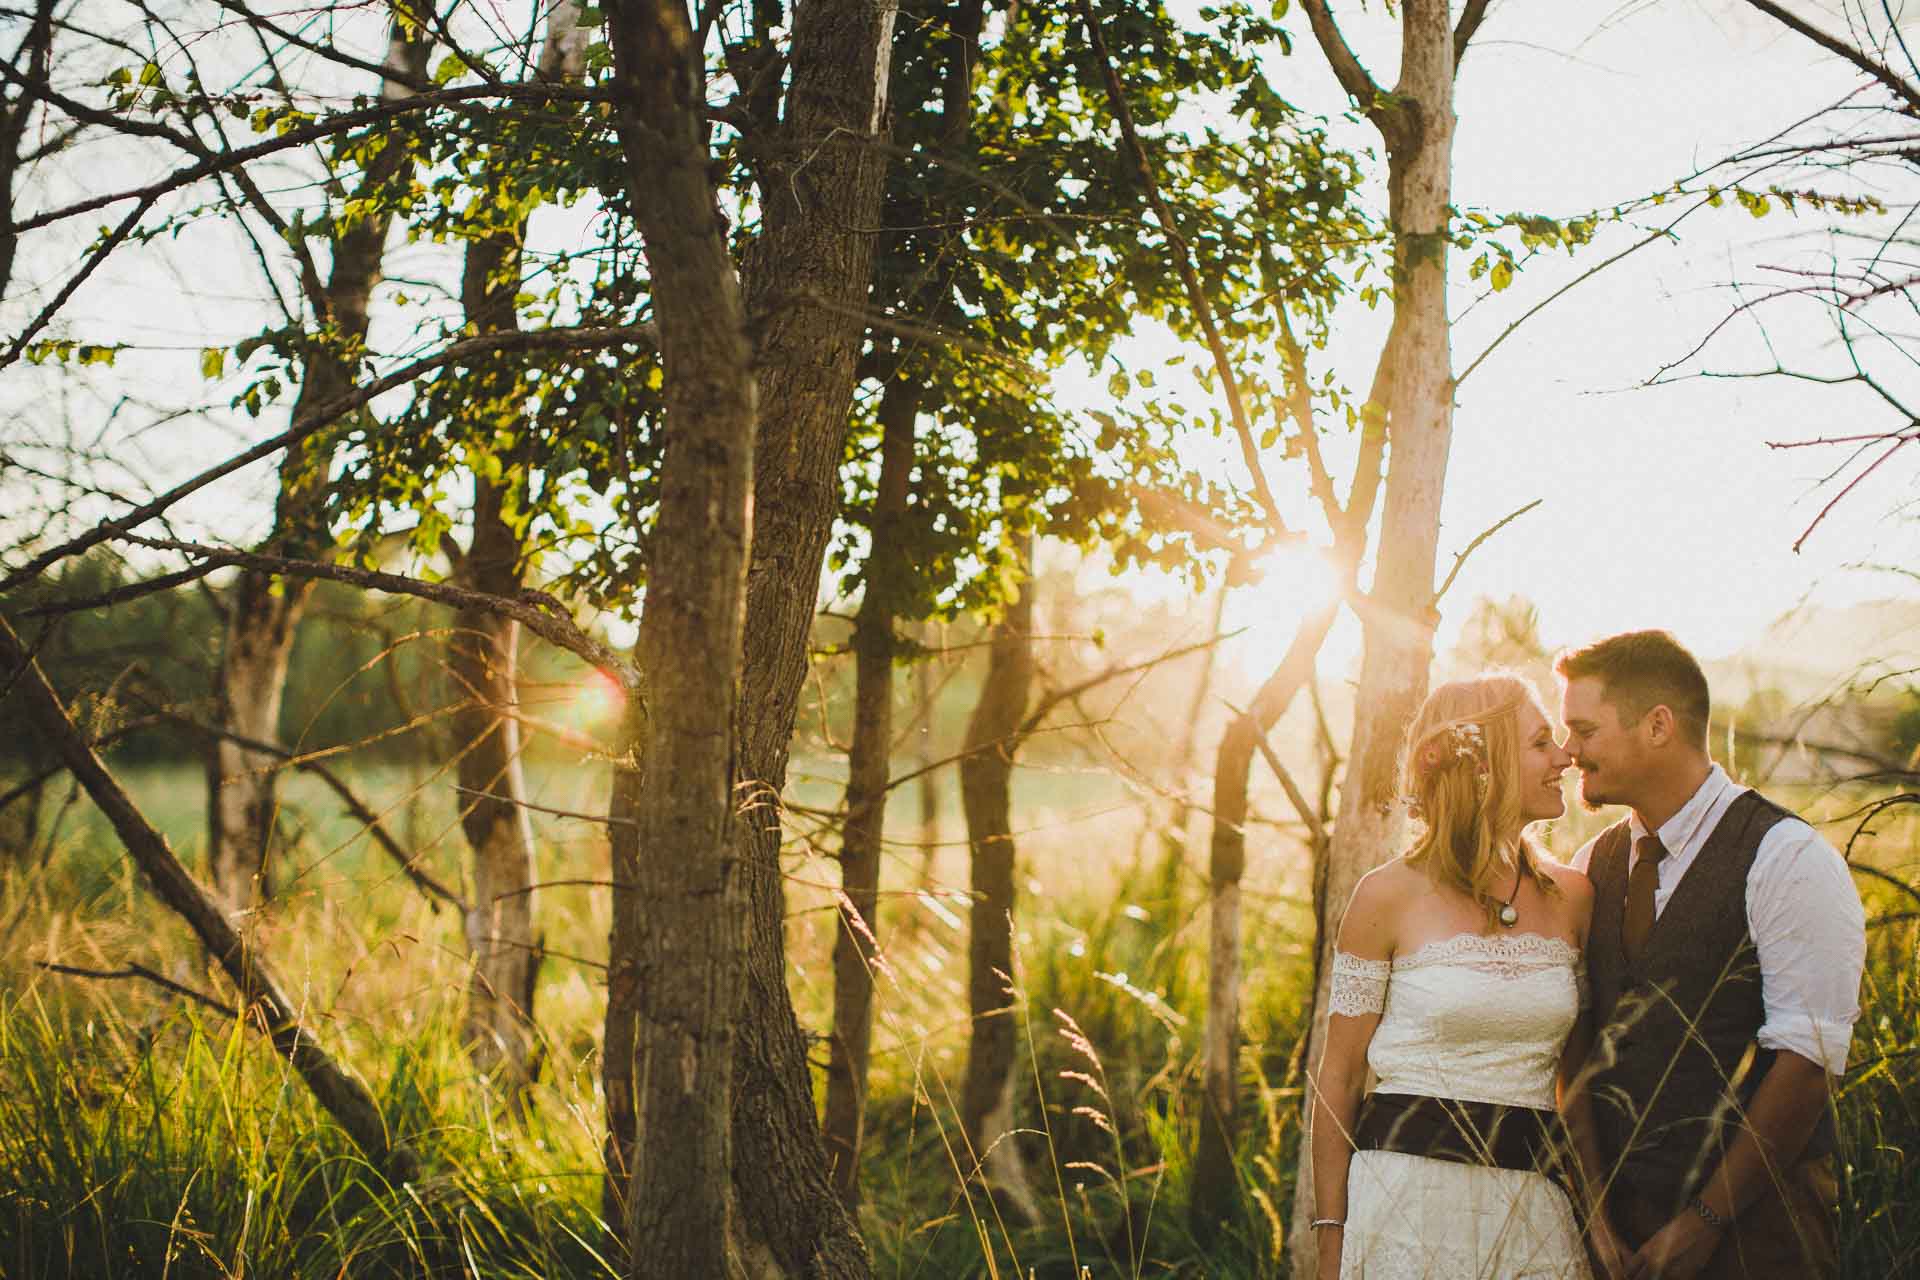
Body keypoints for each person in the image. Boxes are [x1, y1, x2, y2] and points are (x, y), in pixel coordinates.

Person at [1556, 630, 1865, 1280]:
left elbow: (1807, 1065)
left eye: (1584, 729)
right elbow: (1577, 1057)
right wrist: (1595, 1218)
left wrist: (1701, 1226)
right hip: (1620, 1244)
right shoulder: (1594, 863)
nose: (1568, 750)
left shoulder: (1789, 858)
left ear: (1658, 725)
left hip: (1759, 1236)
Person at [1311, 671, 1596, 1279]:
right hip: (1401, 1205)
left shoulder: (1574, 898)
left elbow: (1579, 1081)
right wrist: (1332, 1238)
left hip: (1531, 1208)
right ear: (1485, 764)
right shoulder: (1385, 896)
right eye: (1541, 742)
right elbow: (1339, 1075)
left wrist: (1596, 1216)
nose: (1564, 757)